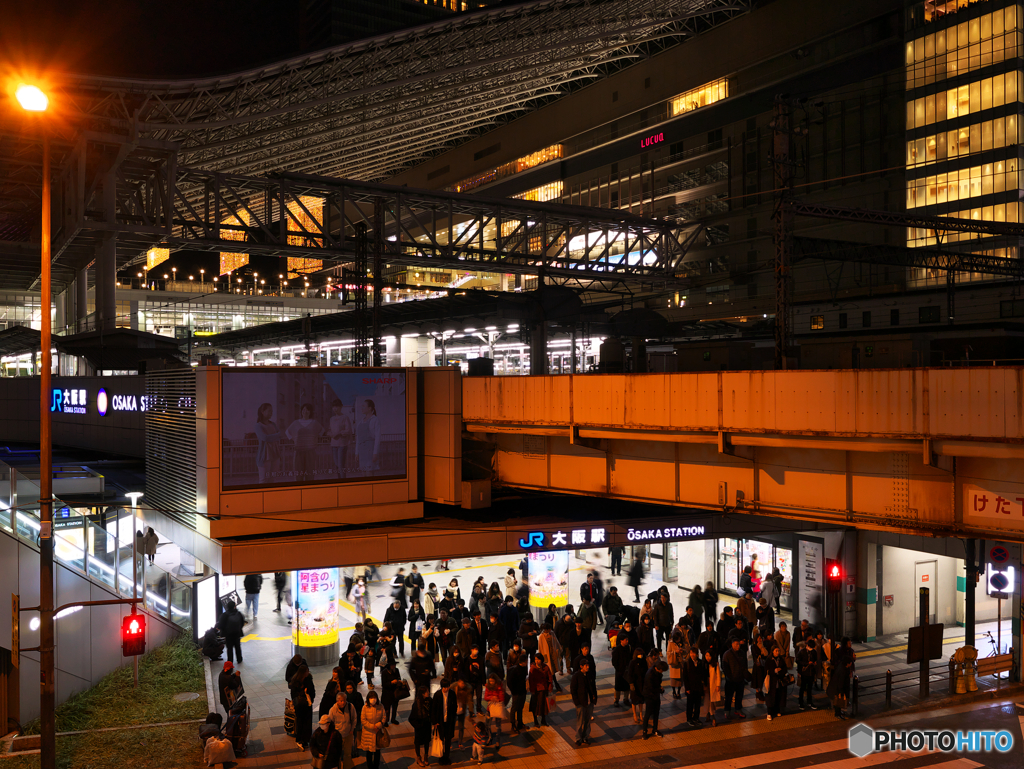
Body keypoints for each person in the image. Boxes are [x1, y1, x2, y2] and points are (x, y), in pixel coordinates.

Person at [285, 403, 323, 483]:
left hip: (311, 451)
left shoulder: (314, 422)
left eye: (307, 409)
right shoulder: (296, 422)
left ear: (310, 412)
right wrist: (293, 439)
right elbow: (287, 432)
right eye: (303, 409)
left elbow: (322, 431)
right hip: (298, 451)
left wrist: (315, 438)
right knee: (298, 473)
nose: (305, 411)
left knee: (310, 473)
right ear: (301, 411)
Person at [698, 621, 722, 726]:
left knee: (711, 699)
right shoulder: (703, 664)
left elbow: (718, 675)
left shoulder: (714, 663)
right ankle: (710, 715)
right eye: (706, 656)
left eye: (711, 626)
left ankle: (711, 715)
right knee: (708, 699)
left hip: (712, 683)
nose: (707, 658)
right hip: (706, 683)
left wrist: (718, 685)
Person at [570, 658, 597, 747]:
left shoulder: (590, 675)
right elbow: (573, 690)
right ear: (581, 666)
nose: (587, 667)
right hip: (581, 703)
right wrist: (577, 702)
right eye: (586, 665)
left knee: (587, 721)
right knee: (580, 721)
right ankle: (578, 738)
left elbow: (593, 687)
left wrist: (594, 699)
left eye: (588, 665)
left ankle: (585, 737)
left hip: (589, 702)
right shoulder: (576, 676)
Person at [253, 402, 282, 483]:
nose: (271, 413)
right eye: (269, 411)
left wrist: (273, 436)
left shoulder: (273, 424)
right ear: (263, 411)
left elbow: (280, 435)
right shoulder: (258, 425)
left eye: (271, 411)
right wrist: (276, 436)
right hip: (264, 455)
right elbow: (264, 437)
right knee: (263, 480)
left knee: (272, 479)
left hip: (275, 454)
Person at [827, 637, 854, 720]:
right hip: (837, 687)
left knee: (839, 699)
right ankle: (837, 713)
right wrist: (841, 692)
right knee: (838, 699)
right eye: (849, 643)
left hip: (838, 685)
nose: (851, 644)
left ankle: (839, 711)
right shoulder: (842, 670)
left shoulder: (843, 667)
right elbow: (840, 683)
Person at [290, 663, 316, 750]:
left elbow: (312, 691)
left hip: (307, 704)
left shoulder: (308, 680)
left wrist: (309, 697)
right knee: (300, 722)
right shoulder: (296, 681)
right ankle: (300, 739)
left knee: (307, 722)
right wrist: (302, 693)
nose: (308, 672)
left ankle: (306, 740)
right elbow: (293, 694)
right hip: (300, 705)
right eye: (306, 671)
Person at [328, 692, 357, 769]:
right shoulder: (333, 710)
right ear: (337, 701)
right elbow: (330, 723)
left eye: (344, 700)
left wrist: (352, 729)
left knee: (348, 754)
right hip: (338, 736)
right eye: (341, 700)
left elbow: (354, 719)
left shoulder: (351, 707)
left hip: (348, 734)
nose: (343, 702)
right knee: (337, 754)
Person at [432, 678, 458, 765]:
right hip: (440, 721)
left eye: (447, 687)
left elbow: (455, 706)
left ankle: (446, 757)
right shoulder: (437, 695)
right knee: (440, 739)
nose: (446, 689)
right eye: (444, 687)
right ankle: (441, 756)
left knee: (448, 739)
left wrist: (453, 717)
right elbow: (434, 709)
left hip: (449, 721)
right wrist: (435, 722)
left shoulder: (452, 694)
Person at [359, 690, 386, 769]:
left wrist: (378, 725)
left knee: (377, 751)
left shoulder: (381, 706)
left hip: (377, 732)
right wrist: (372, 727)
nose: (373, 699)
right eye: (371, 697)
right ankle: (370, 766)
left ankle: (376, 766)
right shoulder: (365, 707)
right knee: (369, 752)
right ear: (368, 699)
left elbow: (384, 717)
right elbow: (363, 720)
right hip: (368, 733)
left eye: (374, 697)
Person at [722, 638, 748, 720]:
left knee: (739, 696)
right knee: (729, 697)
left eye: (738, 644)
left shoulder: (742, 653)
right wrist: (730, 676)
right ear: (732, 644)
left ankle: (738, 709)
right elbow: (724, 667)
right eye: (736, 644)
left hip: (740, 679)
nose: (738, 646)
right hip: (731, 680)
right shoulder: (727, 654)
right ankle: (727, 711)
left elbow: (745, 664)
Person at [642, 660, 667, 739]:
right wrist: (660, 690)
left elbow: (657, 684)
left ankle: (655, 729)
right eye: (662, 670)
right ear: (658, 669)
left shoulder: (658, 673)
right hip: (649, 696)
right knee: (648, 714)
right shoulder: (650, 674)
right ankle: (644, 732)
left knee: (656, 713)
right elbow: (651, 688)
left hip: (655, 695)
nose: (662, 672)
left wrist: (659, 689)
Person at [355, 399, 382, 474]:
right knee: (363, 474)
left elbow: (377, 438)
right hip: (362, 452)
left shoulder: (375, 420)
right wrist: (356, 453)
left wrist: (375, 453)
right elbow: (358, 439)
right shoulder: (360, 422)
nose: (362, 408)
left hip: (370, 451)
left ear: (370, 408)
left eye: (363, 406)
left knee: (369, 473)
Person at [328, 398, 353, 479]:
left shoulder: (345, 417)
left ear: (341, 407)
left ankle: (343, 481)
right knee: (337, 465)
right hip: (333, 445)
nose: (335, 408)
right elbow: (329, 430)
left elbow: (348, 430)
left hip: (342, 444)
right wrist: (330, 434)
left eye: (337, 406)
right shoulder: (331, 419)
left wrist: (338, 433)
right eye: (334, 407)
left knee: (341, 465)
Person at [409, 686, 432, 767]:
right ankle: (418, 758)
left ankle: (426, 756)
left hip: (427, 725)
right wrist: (417, 726)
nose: (428, 692)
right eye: (427, 691)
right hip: (420, 726)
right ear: (422, 694)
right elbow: (411, 718)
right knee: (418, 742)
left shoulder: (429, 701)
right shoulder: (417, 704)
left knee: (427, 741)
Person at [682, 647, 705, 727]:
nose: (692, 655)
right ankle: (689, 719)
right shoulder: (687, 664)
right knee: (690, 704)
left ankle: (696, 718)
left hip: (698, 687)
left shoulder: (700, 662)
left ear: (697, 654)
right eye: (691, 653)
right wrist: (687, 688)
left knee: (698, 704)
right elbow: (685, 677)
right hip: (690, 688)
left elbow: (703, 675)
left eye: (694, 653)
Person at [528, 653, 553, 727]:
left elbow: (550, 677)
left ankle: (543, 720)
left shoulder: (546, 667)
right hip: (536, 690)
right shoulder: (533, 668)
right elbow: (531, 680)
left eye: (538, 659)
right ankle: (535, 721)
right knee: (536, 705)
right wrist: (532, 690)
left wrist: (550, 686)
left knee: (544, 705)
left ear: (541, 660)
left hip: (544, 689)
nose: (536, 661)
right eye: (535, 659)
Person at [537, 623, 563, 692]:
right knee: (550, 671)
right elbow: (540, 647)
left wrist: (559, 649)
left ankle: (552, 685)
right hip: (546, 656)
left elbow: (556, 642)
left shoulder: (552, 633)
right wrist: (540, 657)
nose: (550, 630)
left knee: (553, 670)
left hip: (553, 654)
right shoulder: (541, 636)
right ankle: (553, 685)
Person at [483, 674, 506, 748]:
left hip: (497, 709)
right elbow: (485, 697)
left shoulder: (500, 687)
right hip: (489, 709)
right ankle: (490, 737)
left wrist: (497, 699)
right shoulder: (487, 687)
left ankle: (497, 741)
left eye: (492, 681)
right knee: (487, 724)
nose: (491, 682)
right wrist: (491, 697)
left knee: (498, 726)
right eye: (490, 681)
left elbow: (502, 698)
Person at [766, 646, 788, 721]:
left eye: (778, 651)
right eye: (776, 651)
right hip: (771, 682)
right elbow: (766, 670)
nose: (778, 652)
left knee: (779, 696)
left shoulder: (781, 659)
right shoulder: (769, 660)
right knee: (770, 697)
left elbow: (785, 668)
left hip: (779, 681)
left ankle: (777, 710)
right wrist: (774, 671)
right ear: (772, 651)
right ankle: (769, 713)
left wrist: (780, 671)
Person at [507, 655, 528, 734]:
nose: (527, 663)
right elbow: (509, 682)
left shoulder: (524, 668)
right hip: (516, 692)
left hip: (523, 691)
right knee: (514, 708)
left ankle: (520, 723)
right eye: (526, 661)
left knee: (520, 707)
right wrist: (514, 691)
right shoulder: (514, 670)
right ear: (523, 662)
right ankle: (513, 725)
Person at [626, 646, 647, 725]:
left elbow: (646, 671)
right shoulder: (632, 662)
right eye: (639, 654)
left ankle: (641, 713)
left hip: (641, 683)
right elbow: (630, 674)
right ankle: (634, 714)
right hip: (635, 684)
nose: (641, 655)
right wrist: (631, 684)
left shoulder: (643, 661)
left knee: (641, 700)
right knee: (634, 700)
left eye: (642, 653)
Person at [796, 638, 818, 711]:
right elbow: (798, 661)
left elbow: (816, 659)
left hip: (811, 672)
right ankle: (800, 702)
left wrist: (814, 663)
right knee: (802, 688)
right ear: (807, 645)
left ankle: (809, 701)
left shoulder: (814, 652)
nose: (811, 649)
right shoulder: (802, 652)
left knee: (809, 688)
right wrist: (806, 663)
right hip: (804, 672)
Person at [611, 633, 632, 707]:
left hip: (627, 670)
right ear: (621, 641)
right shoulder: (617, 649)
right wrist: (619, 669)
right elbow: (614, 661)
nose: (627, 641)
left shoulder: (628, 648)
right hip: (620, 671)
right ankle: (616, 700)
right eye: (626, 640)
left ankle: (626, 699)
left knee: (627, 685)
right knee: (618, 686)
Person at [381, 660, 402, 725]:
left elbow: (399, 678)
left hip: (395, 692)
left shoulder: (396, 670)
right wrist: (391, 682)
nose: (394, 666)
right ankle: (386, 720)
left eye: (394, 664)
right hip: (387, 693)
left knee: (395, 707)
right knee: (387, 708)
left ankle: (393, 719)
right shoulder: (384, 672)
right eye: (392, 665)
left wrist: (398, 681)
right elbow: (384, 684)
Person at [666, 630, 684, 699]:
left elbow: (685, 650)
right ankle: (674, 691)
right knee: (673, 679)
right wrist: (675, 652)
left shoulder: (681, 643)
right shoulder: (670, 643)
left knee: (680, 679)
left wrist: (682, 651)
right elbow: (668, 653)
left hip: (680, 663)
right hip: (673, 663)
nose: (679, 640)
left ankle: (679, 692)